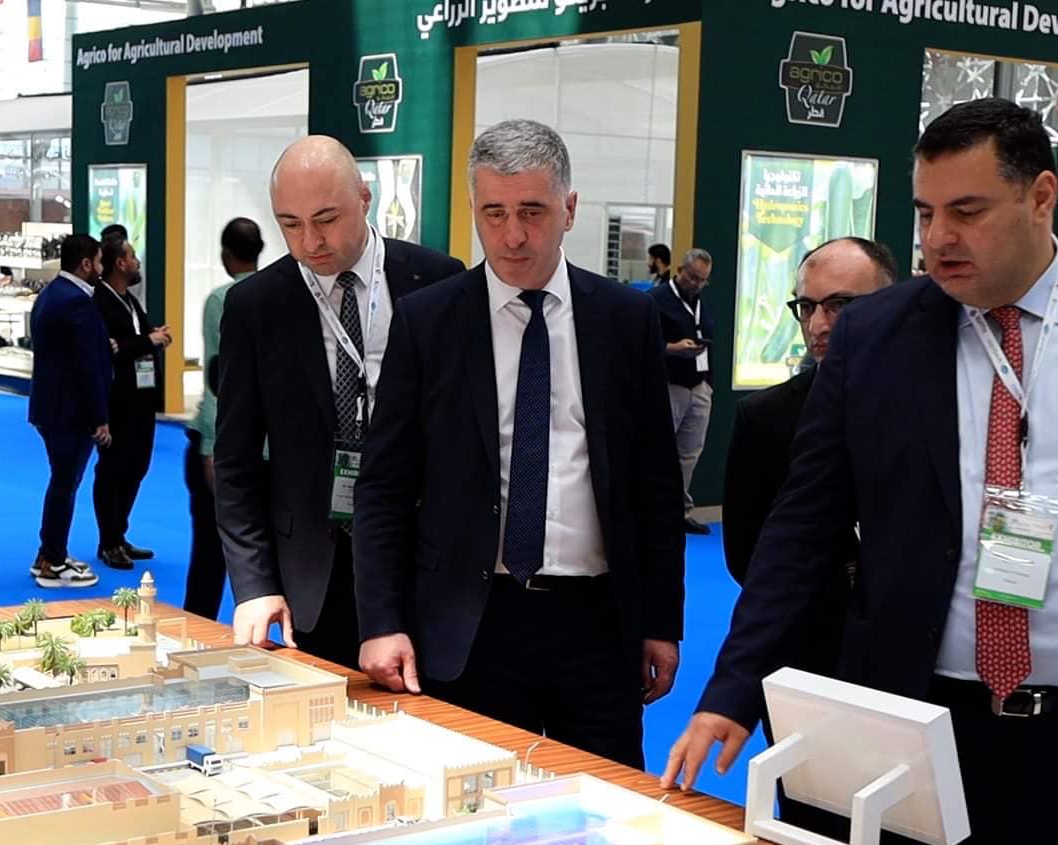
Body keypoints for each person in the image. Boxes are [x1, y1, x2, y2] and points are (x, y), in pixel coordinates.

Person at [663, 98, 1058, 845]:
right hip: (912, 730)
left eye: (967, 211)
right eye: (926, 213)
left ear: (1041, 196)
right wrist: (735, 689)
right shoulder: (876, 337)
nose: (938, 239)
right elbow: (800, 528)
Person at [355, 119, 686, 771]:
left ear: (569, 209)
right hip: (470, 621)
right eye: (494, 213)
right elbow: (384, 487)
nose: (512, 235)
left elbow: (655, 482)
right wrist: (381, 621)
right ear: (473, 209)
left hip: (598, 623)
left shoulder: (625, 319)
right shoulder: (428, 321)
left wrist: (661, 621)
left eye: (532, 212)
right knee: (468, 807)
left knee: (605, 804)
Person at [214, 136, 465, 669]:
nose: (310, 242)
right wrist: (254, 583)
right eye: (290, 224)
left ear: (364, 198)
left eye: (326, 219)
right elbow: (234, 461)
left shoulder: (438, 281)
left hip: (422, 559)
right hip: (313, 569)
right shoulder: (255, 306)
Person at [721, 236, 895, 654]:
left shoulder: (934, 405)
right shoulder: (764, 418)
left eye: (839, 305)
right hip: (805, 647)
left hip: (914, 651)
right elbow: (747, 556)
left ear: (891, 305)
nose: (817, 325)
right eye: (806, 307)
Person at [186, 218, 265, 619]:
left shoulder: (223, 300)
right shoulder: (278, 296)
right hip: (268, 447)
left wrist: (210, 446)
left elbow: (221, 380)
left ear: (225, 254)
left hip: (227, 441)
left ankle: (197, 626)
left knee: (210, 547)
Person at [26, 234, 115, 588]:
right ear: (86, 264)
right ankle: (53, 560)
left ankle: (49, 553)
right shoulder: (76, 302)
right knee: (65, 483)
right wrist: (99, 418)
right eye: (99, 261)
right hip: (70, 411)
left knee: (63, 481)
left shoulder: (52, 294)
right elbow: (86, 366)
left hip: (51, 406)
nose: (102, 268)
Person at [91, 237, 169, 571]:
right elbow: (110, 348)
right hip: (117, 399)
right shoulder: (100, 301)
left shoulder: (129, 300)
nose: (137, 262)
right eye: (133, 256)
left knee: (137, 467)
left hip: (142, 397)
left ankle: (119, 534)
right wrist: (146, 341)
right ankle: (108, 541)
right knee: (113, 470)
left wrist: (154, 336)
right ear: (120, 263)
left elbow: (132, 339)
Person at [653, 248, 717, 536]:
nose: (697, 284)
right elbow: (642, 342)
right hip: (670, 385)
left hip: (699, 385)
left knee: (689, 454)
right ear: (680, 270)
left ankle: (680, 510)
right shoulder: (656, 300)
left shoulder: (702, 301)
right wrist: (672, 349)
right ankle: (655, 511)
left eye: (703, 280)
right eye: (693, 277)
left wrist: (709, 384)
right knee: (661, 452)